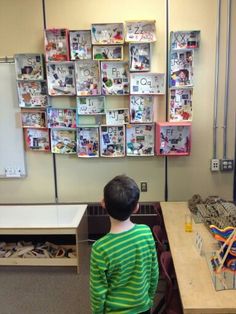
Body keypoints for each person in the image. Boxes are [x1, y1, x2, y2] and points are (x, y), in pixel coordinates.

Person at [90, 175, 159, 314]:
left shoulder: (100, 248)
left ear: (103, 203)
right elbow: (154, 273)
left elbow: (98, 291)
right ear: (136, 207)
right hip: (143, 307)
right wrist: (149, 299)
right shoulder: (145, 233)